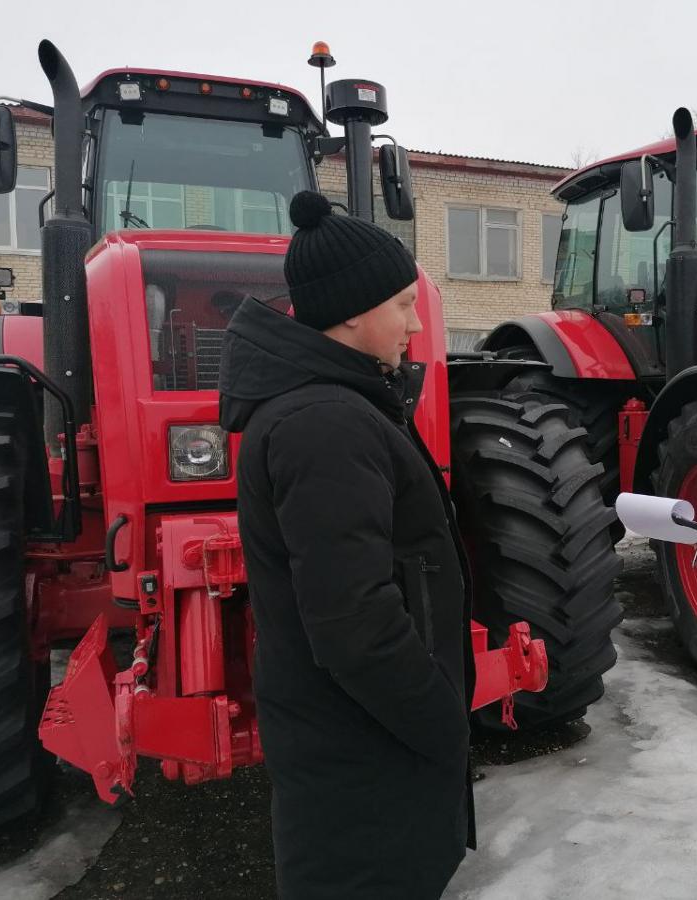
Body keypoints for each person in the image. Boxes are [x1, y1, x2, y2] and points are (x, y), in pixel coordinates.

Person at [218, 191, 474, 899]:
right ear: (353, 311)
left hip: (363, 751)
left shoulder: (335, 406)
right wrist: (442, 723)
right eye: (401, 305)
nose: (415, 323)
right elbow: (354, 622)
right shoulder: (325, 423)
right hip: (363, 764)